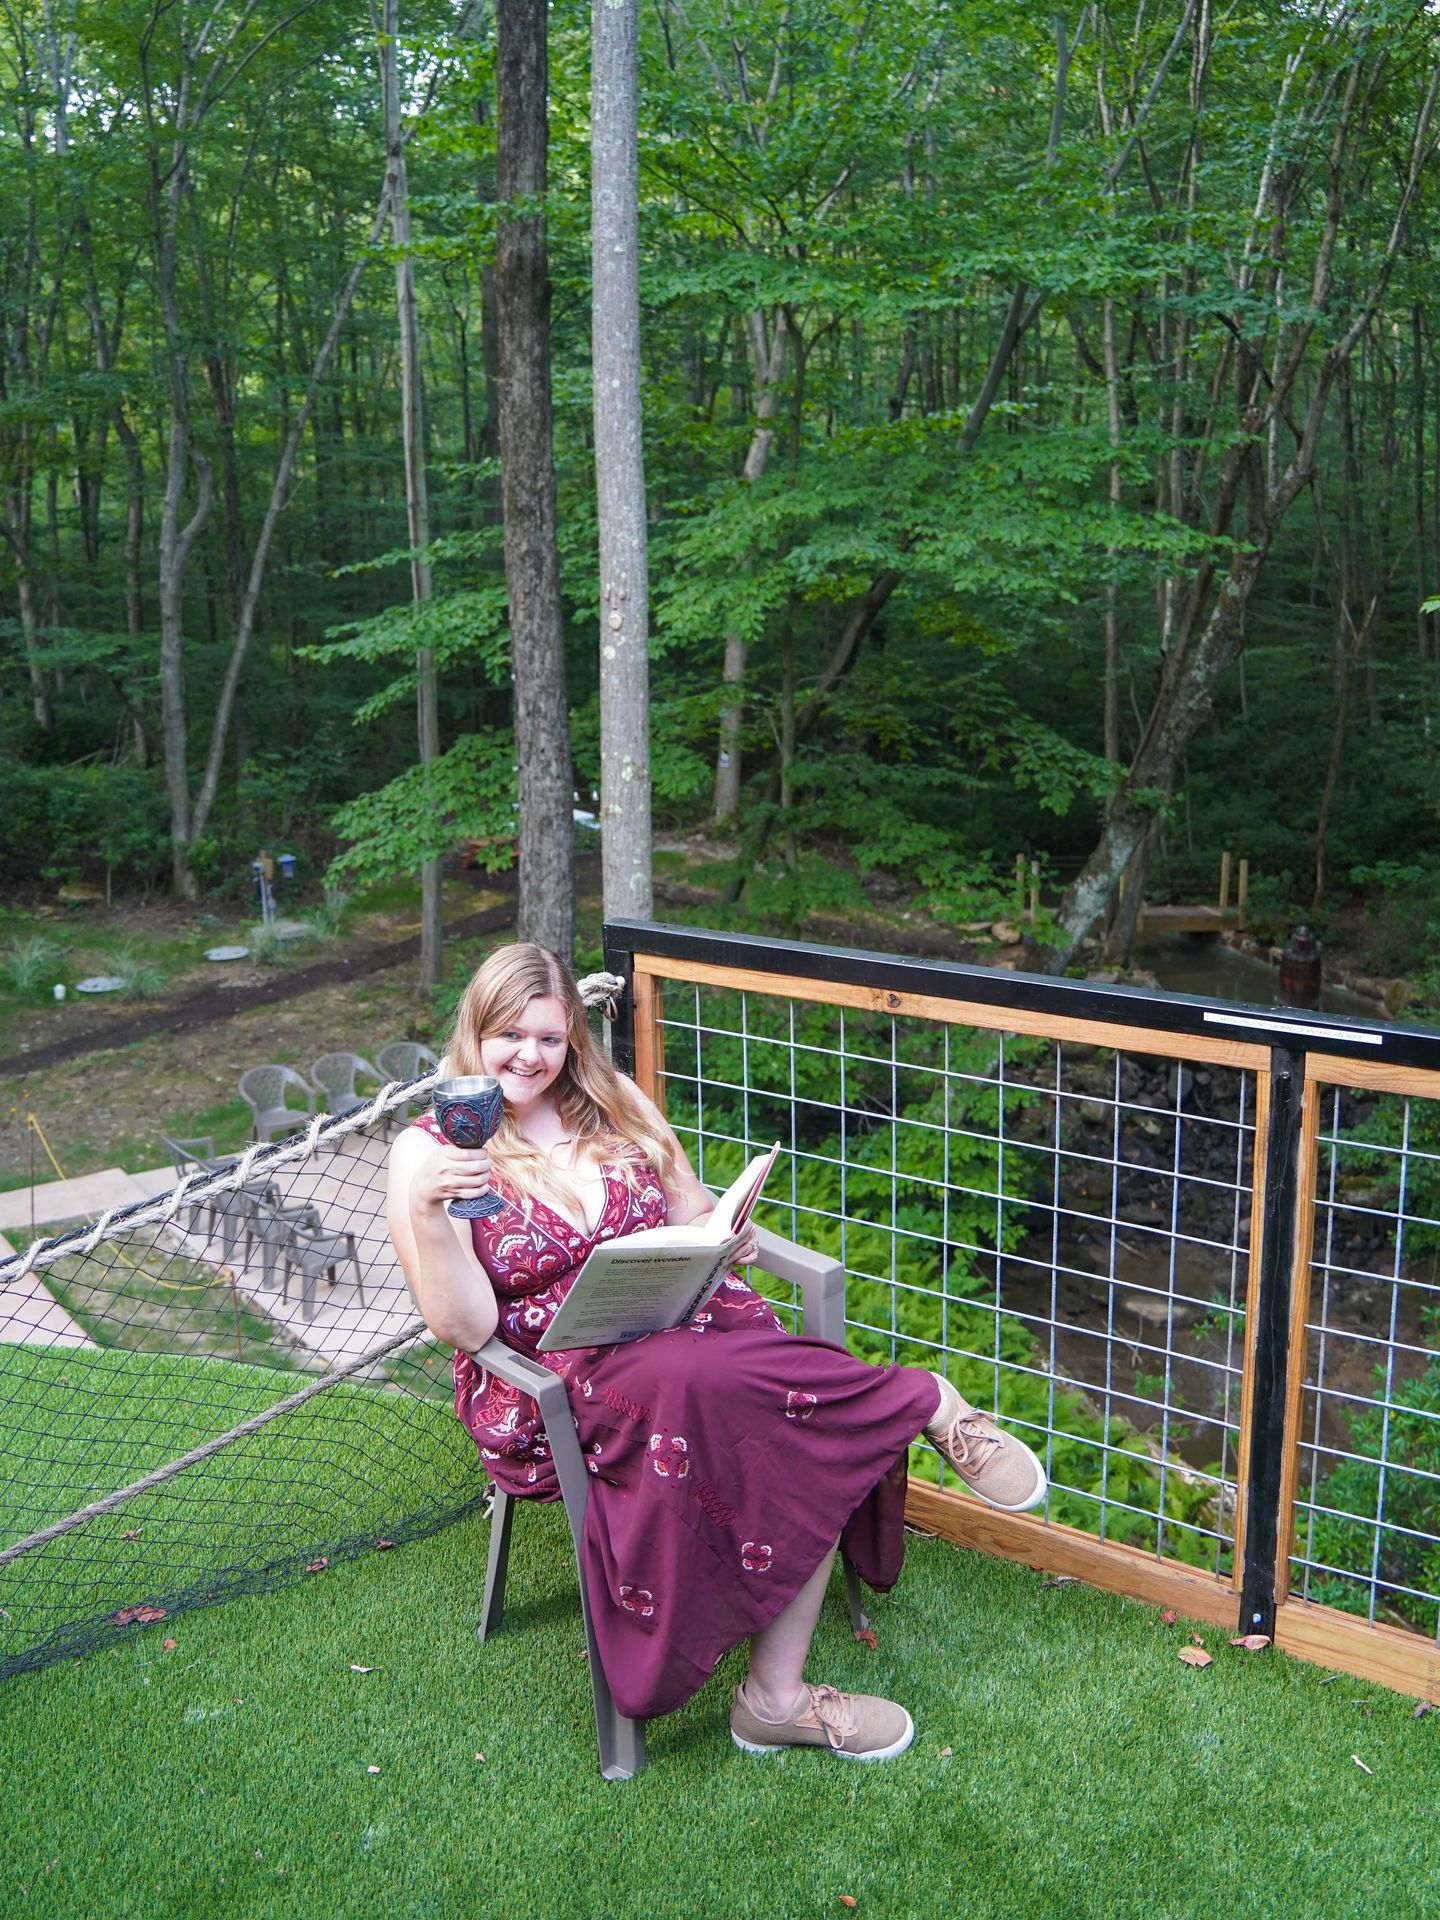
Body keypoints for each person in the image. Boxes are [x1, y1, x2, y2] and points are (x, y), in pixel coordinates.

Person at [386, 943, 1046, 1762]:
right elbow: (466, 1326)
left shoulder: (609, 1099)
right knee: (715, 1384)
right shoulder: (434, 1150)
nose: (531, 1056)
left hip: (682, 1319)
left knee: (742, 1395)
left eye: (550, 1039)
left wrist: (717, 1238)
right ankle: (925, 1402)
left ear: (573, 1041)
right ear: (475, 1031)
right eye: (510, 1036)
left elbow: (691, 1204)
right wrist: (424, 1209)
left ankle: (776, 1697)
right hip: (558, 1374)